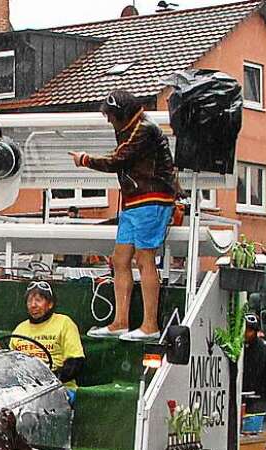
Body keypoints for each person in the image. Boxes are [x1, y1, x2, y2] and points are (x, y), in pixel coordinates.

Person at [70, 89, 178, 342]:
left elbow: (119, 160)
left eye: (110, 116)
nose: (108, 121)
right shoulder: (132, 127)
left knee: (145, 259)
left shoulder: (144, 129)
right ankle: (120, 321)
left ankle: (150, 325)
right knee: (120, 260)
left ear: (120, 114)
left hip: (152, 199)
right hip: (133, 201)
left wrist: (85, 159)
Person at [0, 281, 84, 394]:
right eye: (30, 301)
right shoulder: (20, 328)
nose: (33, 305)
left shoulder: (64, 323)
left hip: (59, 388)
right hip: (24, 388)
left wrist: (48, 381)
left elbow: (75, 363)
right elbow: (11, 363)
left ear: (50, 304)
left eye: (38, 300)